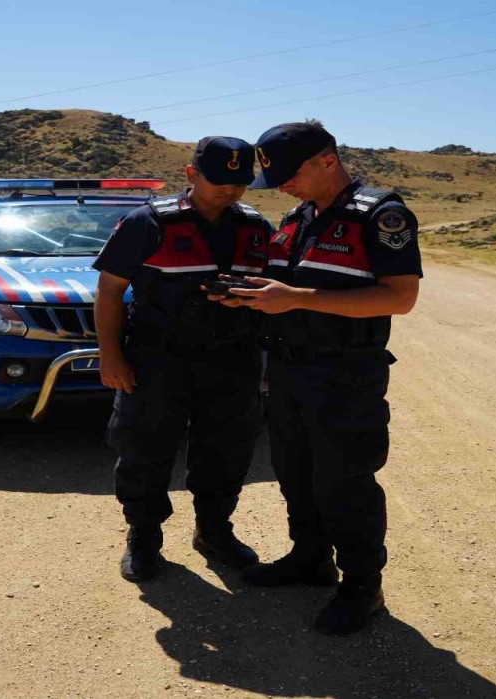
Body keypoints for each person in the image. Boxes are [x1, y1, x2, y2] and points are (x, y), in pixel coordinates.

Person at [216, 122, 422, 634]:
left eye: (290, 175)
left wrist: (296, 300)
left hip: (343, 374)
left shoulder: (380, 215)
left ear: (328, 160)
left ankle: (362, 587)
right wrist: (250, 293)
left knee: (344, 481)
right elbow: (288, 288)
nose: (283, 186)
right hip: (287, 369)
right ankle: (309, 558)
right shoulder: (298, 217)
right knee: (296, 473)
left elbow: (400, 297)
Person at [93, 136, 276, 582]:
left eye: (240, 182)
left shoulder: (256, 228)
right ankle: (144, 538)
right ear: (192, 174)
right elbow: (110, 291)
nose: (229, 190)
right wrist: (111, 356)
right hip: (157, 360)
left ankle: (214, 531)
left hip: (233, 360)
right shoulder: (148, 222)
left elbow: (275, 293)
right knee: (144, 450)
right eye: (218, 181)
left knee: (227, 452)